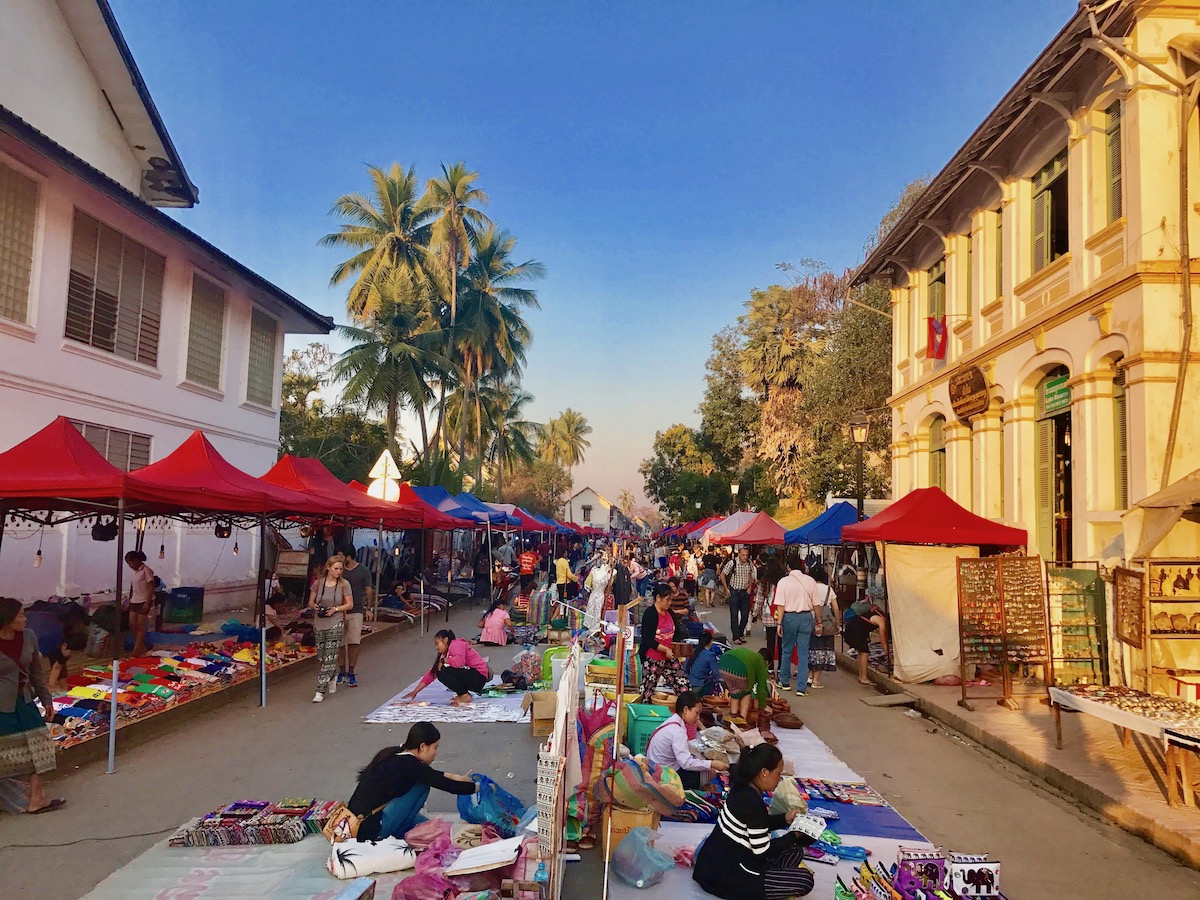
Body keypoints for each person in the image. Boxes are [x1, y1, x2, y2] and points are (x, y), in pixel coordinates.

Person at [692, 744, 815, 899]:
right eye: (778, 773)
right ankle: (763, 882)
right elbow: (763, 851)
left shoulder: (742, 788)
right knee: (805, 879)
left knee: (795, 851)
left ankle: (772, 879)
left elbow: (758, 823)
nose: (780, 778)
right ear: (764, 772)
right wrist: (795, 835)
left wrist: (784, 819)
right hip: (728, 877)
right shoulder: (752, 801)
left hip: (712, 865)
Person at [347, 722, 477, 841]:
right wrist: (479, 788)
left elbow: (429, 774)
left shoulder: (395, 755)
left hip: (357, 824)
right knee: (421, 786)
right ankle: (396, 831)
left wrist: (453, 776)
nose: (436, 753)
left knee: (431, 826)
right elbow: (447, 785)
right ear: (423, 746)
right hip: (372, 830)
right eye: (435, 748)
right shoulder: (410, 765)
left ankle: (406, 825)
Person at [0, 598, 64, 814]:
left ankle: (37, 798)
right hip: (2, 706)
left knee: (41, 745)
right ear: (7, 619)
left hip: (26, 701)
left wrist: (46, 700)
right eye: (20, 615)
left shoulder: (28, 637)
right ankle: (24, 798)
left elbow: (36, 671)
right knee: (8, 751)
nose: (25, 619)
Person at [646, 692, 729, 791]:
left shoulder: (672, 722)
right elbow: (686, 763)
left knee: (699, 759)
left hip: (655, 767)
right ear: (686, 710)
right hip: (662, 775)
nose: (698, 718)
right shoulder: (677, 731)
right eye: (696, 713)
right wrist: (712, 764)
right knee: (710, 772)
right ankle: (694, 787)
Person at [308, 554, 354, 703]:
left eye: (340, 569)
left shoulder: (344, 584)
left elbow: (350, 604)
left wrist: (336, 609)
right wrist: (315, 606)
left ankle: (319, 690)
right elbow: (310, 602)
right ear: (328, 567)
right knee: (322, 656)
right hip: (319, 622)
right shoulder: (318, 583)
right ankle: (332, 674)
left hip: (336, 620)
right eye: (336, 568)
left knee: (330, 656)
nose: (338, 571)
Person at [404, 630, 491, 706]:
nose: (436, 647)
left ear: (445, 640)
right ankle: (463, 694)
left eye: (437, 643)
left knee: (444, 671)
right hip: (474, 677)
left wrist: (444, 661)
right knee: (439, 671)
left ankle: (465, 696)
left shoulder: (456, 644)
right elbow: (432, 673)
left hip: (479, 677)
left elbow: (459, 662)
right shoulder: (445, 653)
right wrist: (415, 691)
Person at [771, 558, 817, 695]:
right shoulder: (810, 581)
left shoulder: (783, 582)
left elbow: (781, 605)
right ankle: (801, 688)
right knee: (803, 652)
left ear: (788, 567)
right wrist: (819, 620)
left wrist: (779, 623)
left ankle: (784, 681)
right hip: (806, 617)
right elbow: (816, 604)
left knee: (786, 650)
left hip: (789, 618)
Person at [637, 584, 691, 703]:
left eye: (671, 599)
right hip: (653, 658)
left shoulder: (670, 612)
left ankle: (686, 711)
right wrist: (664, 649)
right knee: (647, 691)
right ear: (658, 598)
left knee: (683, 686)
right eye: (667, 600)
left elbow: (677, 632)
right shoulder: (650, 614)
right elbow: (648, 638)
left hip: (670, 657)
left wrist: (676, 648)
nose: (670, 603)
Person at [338, 546, 374, 688]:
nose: (339, 559)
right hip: (339, 611)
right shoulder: (338, 571)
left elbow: (368, 590)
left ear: (348, 557)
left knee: (354, 642)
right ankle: (341, 671)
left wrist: (369, 608)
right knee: (340, 643)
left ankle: (351, 672)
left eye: (341, 556)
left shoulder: (363, 571)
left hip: (356, 610)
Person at [717, 645, 772, 724]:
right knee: (746, 693)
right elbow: (761, 689)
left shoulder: (751, 656)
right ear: (766, 662)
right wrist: (764, 706)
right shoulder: (761, 663)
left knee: (735, 692)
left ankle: (732, 718)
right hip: (739, 669)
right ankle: (741, 722)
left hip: (723, 664)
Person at [807, 565, 839, 689]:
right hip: (826, 624)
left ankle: (809, 676)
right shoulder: (828, 590)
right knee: (822, 650)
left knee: (812, 649)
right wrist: (837, 622)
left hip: (811, 621)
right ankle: (816, 680)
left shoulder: (810, 588)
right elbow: (836, 608)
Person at [846, 599, 889, 685]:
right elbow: (883, 639)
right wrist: (888, 653)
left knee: (861, 652)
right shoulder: (882, 622)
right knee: (865, 653)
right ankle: (864, 678)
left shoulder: (877, 614)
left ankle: (861, 676)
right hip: (857, 629)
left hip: (852, 626)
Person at [720, 547, 756, 645]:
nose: (745, 557)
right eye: (743, 555)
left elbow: (751, 575)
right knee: (734, 615)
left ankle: (740, 634)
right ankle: (736, 636)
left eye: (746, 555)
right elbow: (722, 574)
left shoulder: (749, 563)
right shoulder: (732, 563)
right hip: (734, 591)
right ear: (739, 554)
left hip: (744, 592)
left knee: (745, 616)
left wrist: (749, 587)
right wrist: (726, 589)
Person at [124, 550, 157, 656]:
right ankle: (141, 646)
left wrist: (147, 602)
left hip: (144, 600)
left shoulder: (146, 571)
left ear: (136, 560)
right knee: (132, 624)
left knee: (140, 625)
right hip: (135, 600)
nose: (130, 566)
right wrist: (129, 600)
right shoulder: (136, 573)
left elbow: (151, 586)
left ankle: (136, 649)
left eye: (130, 563)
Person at [582, 557, 613, 632]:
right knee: (590, 609)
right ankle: (588, 627)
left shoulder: (610, 572)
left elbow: (610, 585)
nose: (604, 560)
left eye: (605, 558)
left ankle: (596, 628)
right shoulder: (594, 571)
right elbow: (587, 583)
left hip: (600, 595)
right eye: (603, 558)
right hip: (593, 594)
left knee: (598, 611)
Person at [686, 632, 720, 697]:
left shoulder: (692, 651)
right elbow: (717, 674)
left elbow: (684, 668)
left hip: (687, 684)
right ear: (711, 641)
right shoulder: (710, 655)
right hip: (700, 686)